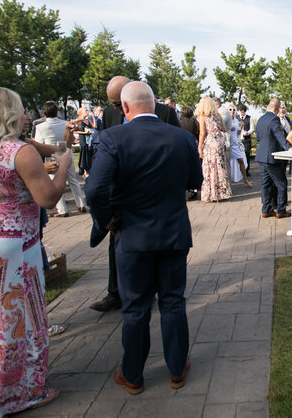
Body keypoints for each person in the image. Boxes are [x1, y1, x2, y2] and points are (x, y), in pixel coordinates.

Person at [0, 87, 72, 416]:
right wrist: (63, 165)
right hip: (15, 247)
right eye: (20, 110)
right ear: (7, 114)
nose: (26, 116)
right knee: (28, 321)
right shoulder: (19, 152)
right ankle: (27, 393)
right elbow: (48, 198)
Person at [85, 81, 203, 395]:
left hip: (133, 235)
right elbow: (195, 180)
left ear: (124, 108)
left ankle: (134, 375)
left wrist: (106, 219)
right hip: (173, 231)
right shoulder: (182, 137)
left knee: (135, 307)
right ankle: (177, 369)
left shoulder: (112, 138)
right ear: (154, 105)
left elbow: (94, 189)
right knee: (173, 301)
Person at [88, 76, 180, 314]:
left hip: (156, 202)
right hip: (119, 201)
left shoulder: (163, 113)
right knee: (115, 247)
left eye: (118, 104)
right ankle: (114, 293)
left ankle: (148, 292)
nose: (117, 109)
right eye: (112, 105)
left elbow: (178, 149)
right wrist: (104, 216)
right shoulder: (109, 115)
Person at [34, 100, 87, 217]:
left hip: (52, 154)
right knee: (73, 180)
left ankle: (62, 210)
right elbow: (71, 139)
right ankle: (81, 204)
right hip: (66, 152)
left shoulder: (40, 127)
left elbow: (38, 144)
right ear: (57, 112)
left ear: (44, 113)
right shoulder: (65, 123)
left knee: (55, 181)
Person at [255, 98, 292, 218]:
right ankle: (281, 210)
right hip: (272, 156)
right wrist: (288, 148)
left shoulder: (261, 118)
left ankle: (266, 209)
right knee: (281, 183)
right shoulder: (274, 119)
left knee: (265, 184)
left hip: (261, 155)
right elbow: (279, 136)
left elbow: (258, 137)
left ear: (268, 106)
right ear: (278, 109)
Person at [196, 97, 231, 202]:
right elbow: (224, 129)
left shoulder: (203, 117)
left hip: (210, 142)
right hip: (219, 141)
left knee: (210, 167)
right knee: (221, 167)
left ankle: (211, 193)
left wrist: (200, 146)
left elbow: (202, 133)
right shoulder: (218, 115)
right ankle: (223, 192)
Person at [227, 104, 252, 187]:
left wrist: (240, 127)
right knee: (227, 163)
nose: (232, 111)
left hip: (235, 144)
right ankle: (227, 182)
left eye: (234, 110)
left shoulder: (236, 121)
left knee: (241, 161)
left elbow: (238, 134)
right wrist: (229, 129)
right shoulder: (226, 120)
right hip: (228, 144)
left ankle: (245, 180)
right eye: (230, 109)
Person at [237, 104, 253, 176]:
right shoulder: (236, 118)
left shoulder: (249, 118)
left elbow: (252, 128)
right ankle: (239, 170)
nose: (241, 113)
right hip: (238, 139)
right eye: (240, 111)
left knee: (247, 154)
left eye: (243, 111)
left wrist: (248, 132)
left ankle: (247, 170)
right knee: (238, 155)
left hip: (246, 139)